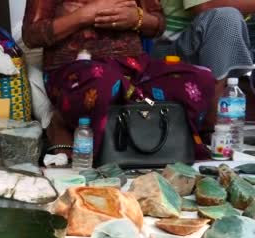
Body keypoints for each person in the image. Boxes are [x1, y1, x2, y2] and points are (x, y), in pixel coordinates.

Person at [22, 0, 215, 159]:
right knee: (104, 83)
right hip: (78, 69)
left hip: (136, 67)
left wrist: (136, 18)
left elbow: (158, 23)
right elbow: (31, 35)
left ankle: (159, 144)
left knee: (199, 78)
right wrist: (84, 16)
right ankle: (64, 124)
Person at [155, 1, 255, 121]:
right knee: (226, 17)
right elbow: (205, 6)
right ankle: (213, 122)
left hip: (231, 49)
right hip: (175, 53)